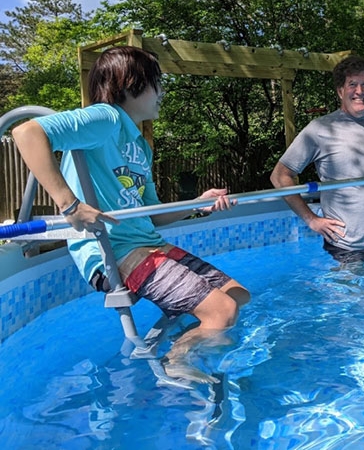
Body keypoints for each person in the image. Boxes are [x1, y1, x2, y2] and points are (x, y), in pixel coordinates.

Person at [12, 45, 250, 379]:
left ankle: (190, 336)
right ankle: (177, 363)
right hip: (118, 250)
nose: (161, 93)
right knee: (222, 311)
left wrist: (198, 203)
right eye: (156, 83)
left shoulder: (139, 145)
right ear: (129, 84)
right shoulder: (106, 117)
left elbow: (151, 215)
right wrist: (70, 204)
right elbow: (26, 132)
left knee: (238, 295)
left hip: (149, 242)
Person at [270, 54, 364, 264]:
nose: (360, 91)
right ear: (340, 91)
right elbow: (280, 176)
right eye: (352, 85)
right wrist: (311, 220)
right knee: (351, 297)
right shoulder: (320, 129)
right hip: (344, 244)